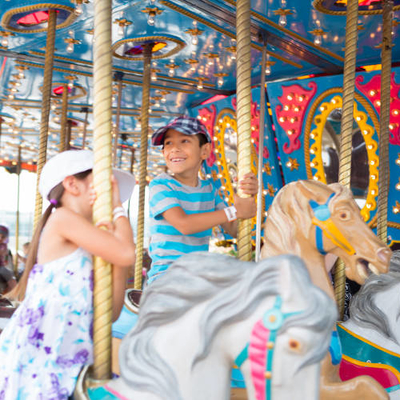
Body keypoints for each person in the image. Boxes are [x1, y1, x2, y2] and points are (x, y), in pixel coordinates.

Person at [0, 149, 136, 399]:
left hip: (73, 358)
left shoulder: (91, 240)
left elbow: (112, 312)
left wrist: (115, 256)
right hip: (40, 358)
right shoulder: (62, 218)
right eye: (104, 183)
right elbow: (127, 253)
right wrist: (117, 208)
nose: (110, 192)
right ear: (72, 184)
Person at [147, 115, 258, 283]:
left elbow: (234, 230)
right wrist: (235, 211)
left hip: (198, 273)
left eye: (184, 141)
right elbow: (184, 224)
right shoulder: (160, 186)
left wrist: (246, 195)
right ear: (163, 152)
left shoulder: (209, 190)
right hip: (167, 274)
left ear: (204, 151)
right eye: (168, 143)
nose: (174, 149)